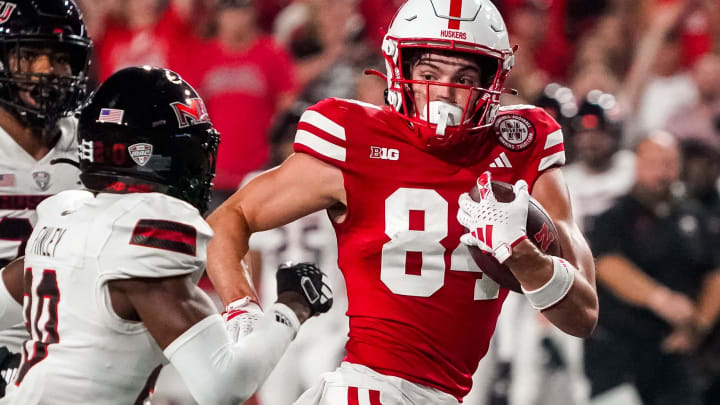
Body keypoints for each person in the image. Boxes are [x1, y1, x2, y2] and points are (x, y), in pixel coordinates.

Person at [206, 1, 598, 404]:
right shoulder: (355, 137)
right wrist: (240, 306)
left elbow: (583, 315)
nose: (444, 93)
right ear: (402, 71)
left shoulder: (521, 143)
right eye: (429, 74)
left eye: (463, 78)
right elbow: (228, 219)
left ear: (492, 81)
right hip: (368, 390)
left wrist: (521, 253)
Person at [0, 66, 333, 404]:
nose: (200, 167)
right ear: (150, 155)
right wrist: (292, 306)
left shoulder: (66, 216)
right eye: (192, 153)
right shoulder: (138, 241)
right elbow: (223, 385)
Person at [585, 132, 720, 405]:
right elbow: (607, 265)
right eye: (654, 162)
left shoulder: (696, 216)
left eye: (669, 162)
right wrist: (661, 300)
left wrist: (699, 325)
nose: (663, 170)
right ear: (637, 164)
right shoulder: (614, 216)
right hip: (620, 354)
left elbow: (715, 272)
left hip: (679, 355)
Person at [0, 0, 92, 395]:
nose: (46, 71)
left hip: (73, 340)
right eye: (29, 55)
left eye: (59, 58)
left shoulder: (94, 142)